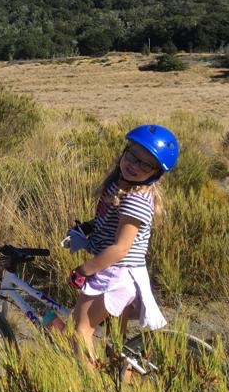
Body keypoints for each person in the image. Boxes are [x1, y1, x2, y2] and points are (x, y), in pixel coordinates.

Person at [64, 124, 178, 364]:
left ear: (156, 172)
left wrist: (83, 270)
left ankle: (90, 385)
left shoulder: (135, 200)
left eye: (145, 164)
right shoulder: (120, 186)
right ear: (124, 151)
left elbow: (120, 248)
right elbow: (107, 222)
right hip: (123, 274)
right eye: (133, 155)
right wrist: (87, 228)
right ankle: (121, 383)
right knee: (116, 343)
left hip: (115, 275)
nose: (134, 165)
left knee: (80, 330)